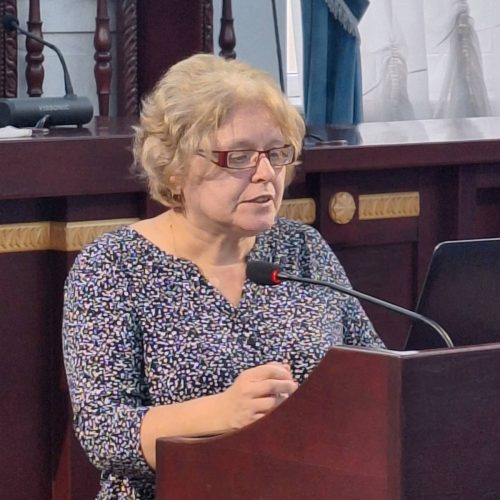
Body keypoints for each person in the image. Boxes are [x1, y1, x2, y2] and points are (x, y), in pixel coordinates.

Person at [62, 53, 385, 499]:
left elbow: (377, 379)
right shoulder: (113, 266)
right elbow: (104, 432)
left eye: (277, 153)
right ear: (175, 168)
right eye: (239, 157)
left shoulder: (302, 249)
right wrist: (223, 412)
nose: (266, 174)